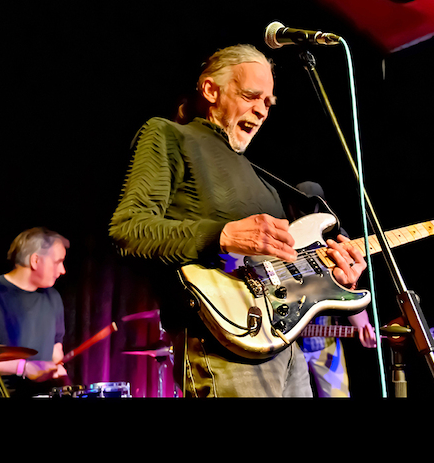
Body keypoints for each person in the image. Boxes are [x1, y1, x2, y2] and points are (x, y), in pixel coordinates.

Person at [108, 44, 367, 397]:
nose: (261, 110)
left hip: (284, 345)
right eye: (251, 96)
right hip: (221, 342)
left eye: (268, 103)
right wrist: (223, 235)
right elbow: (127, 230)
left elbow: (282, 272)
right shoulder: (169, 135)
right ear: (210, 90)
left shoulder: (263, 179)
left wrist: (332, 275)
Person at [0, 227, 69, 397]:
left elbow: (56, 348)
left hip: (40, 393)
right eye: (58, 262)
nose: (62, 270)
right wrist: (23, 368)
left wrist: (56, 367)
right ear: (35, 260)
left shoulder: (53, 297)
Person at [293, 181, 377, 397]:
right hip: (287, 343)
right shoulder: (284, 232)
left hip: (324, 339)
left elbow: (347, 287)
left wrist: (364, 325)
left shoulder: (334, 235)